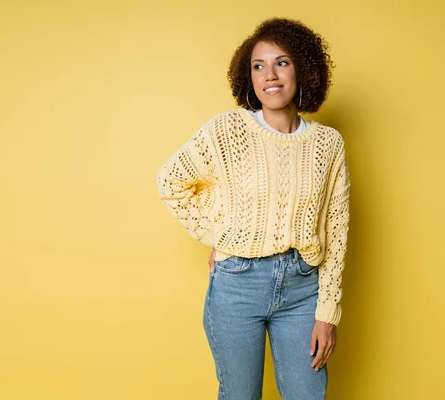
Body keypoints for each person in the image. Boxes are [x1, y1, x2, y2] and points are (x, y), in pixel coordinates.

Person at [156, 17, 351, 399]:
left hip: (302, 289)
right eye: (258, 66)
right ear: (249, 77)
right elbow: (171, 181)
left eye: (281, 62)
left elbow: (337, 227)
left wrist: (327, 312)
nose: (270, 75)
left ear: (304, 68)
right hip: (237, 285)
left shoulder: (328, 144)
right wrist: (221, 235)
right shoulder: (228, 130)